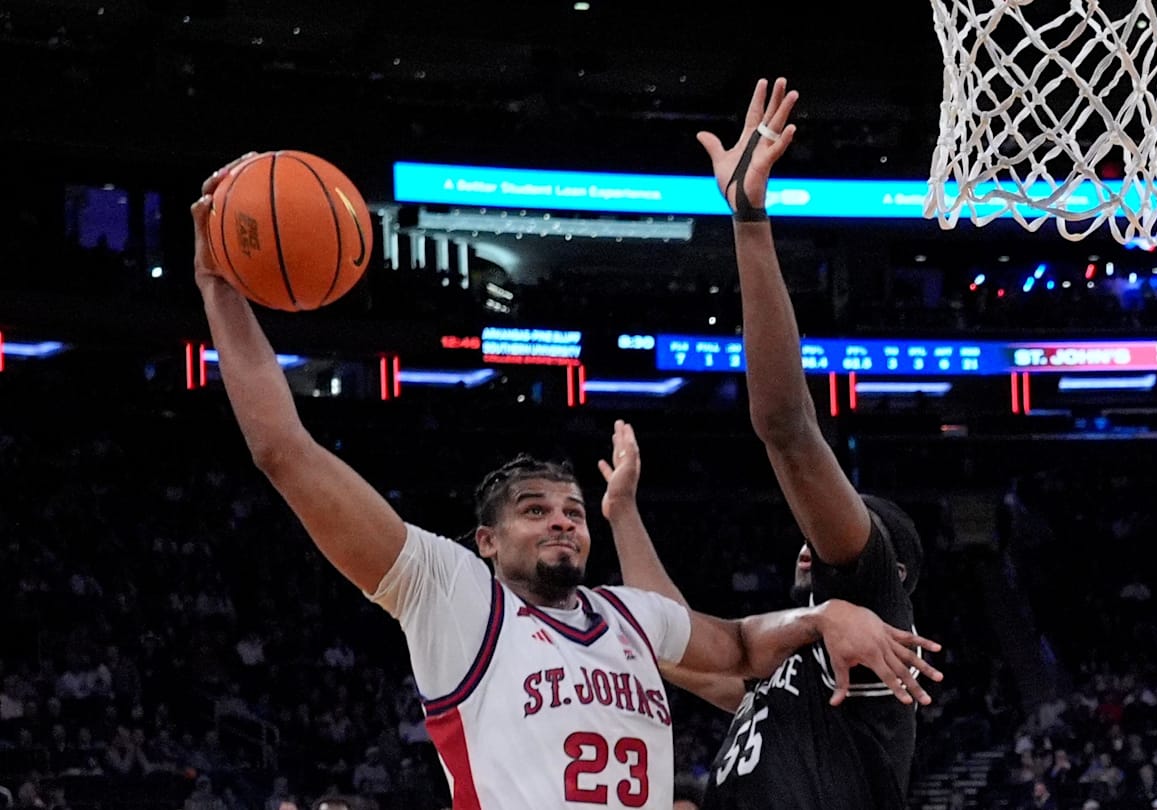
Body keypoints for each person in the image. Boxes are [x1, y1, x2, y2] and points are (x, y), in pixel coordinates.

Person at [189, 156, 942, 810]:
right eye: (534, 510)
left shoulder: (628, 617)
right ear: (485, 541)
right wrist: (218, 289)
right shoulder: (452, 593)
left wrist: (820, 615)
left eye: (574, 512)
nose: (562, 521)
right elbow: (285, 450)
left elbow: (742, 645)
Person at [602, 77, 933, 810]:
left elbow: (787, 427)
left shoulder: (871, 612)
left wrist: (749, 221)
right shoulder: (792, 674)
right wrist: (623, 512)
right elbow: (670, 640)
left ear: (890, 569)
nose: (811, 538)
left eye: (840, 525)